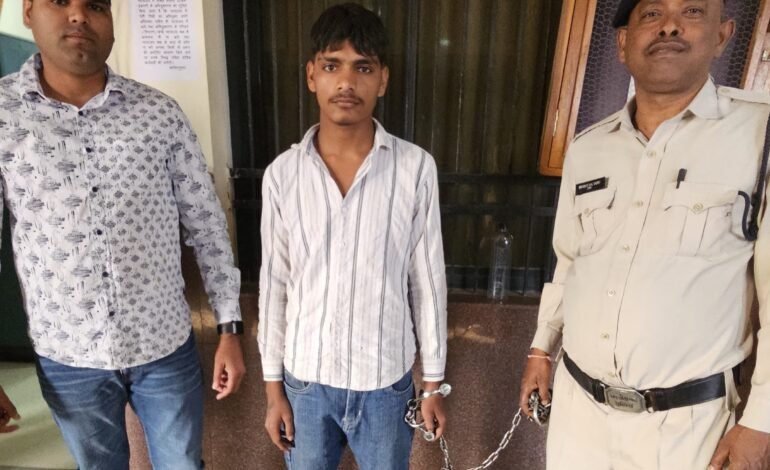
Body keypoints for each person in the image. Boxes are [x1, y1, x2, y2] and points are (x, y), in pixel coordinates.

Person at [519, 0, 770, 468]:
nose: (670, 26)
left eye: (692, 11)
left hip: (686, 430)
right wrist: (541, 349)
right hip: (578, 416)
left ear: (722, 35)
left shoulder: (759, 137)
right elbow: (570, 262)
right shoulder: (589, 148)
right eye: (652, 13)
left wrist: (761, 422)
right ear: (622, 43)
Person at [0, 1, 245, 468]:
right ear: (28, 11)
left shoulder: (159, 114)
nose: (78, 16)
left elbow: (207, 224)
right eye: (60, 1)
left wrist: (229, 327)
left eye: (95, 5)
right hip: (68, 356)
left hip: (164, 347)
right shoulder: (5, 115)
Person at [257, 3, 448, 469]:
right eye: (332, 66)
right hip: (305, 383)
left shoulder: (414, 169)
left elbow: (427, 282)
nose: (346, 82)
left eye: (362, 68)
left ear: (382, 80)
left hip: (384, 382)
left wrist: (432, 384)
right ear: (311, 75)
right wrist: (273, 390)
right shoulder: (283, 175)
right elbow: (274, 284)